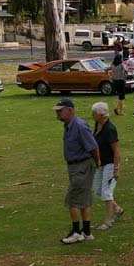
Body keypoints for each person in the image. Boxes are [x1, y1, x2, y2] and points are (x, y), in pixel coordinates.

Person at [54, 98, 101, 244]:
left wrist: (97, 162)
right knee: (83, 198)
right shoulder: (69, 126)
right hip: (76, 166)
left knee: (72, 199)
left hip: (82, 166)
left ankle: (76, 232)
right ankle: (87, 232)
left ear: (70, 110)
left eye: (60, 111)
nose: (58, 113)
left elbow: (93, 146)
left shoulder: (79, 126)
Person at [91, 101, 124, 231]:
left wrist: (116, 169)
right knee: (98, 190)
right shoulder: (97, 124)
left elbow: (116, 151)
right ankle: (117, 209)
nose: (92, 115)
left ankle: (107, 221)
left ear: (101, 114)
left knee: (107, 192)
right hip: (100, 163)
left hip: (110, 164)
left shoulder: (110, 129)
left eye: (94, 113)